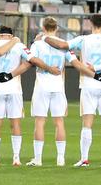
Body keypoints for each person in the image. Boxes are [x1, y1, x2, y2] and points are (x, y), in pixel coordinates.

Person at [42, 14, 101, 167]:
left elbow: (63, 45)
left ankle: (85, 159)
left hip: (88, 83)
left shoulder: (83, 39)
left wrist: (45, 38)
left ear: (90, 24)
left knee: (87, 123)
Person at [26, 17, 72, 167]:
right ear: (56, 28)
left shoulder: (37, 44)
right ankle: (60, 159)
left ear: (43, 28)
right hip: (58, 86)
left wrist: (47, 68)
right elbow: (73, 60)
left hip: (42, 85)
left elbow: (32, 59)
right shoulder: (63, 44)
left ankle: (38, 159)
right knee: (59, 122)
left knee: (40, 122)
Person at [0, 27, 29, 166]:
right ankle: (16, 158)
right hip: (15, 89)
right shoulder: (19, 45)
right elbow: (30, 62)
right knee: (15, 123)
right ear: (11, 35)